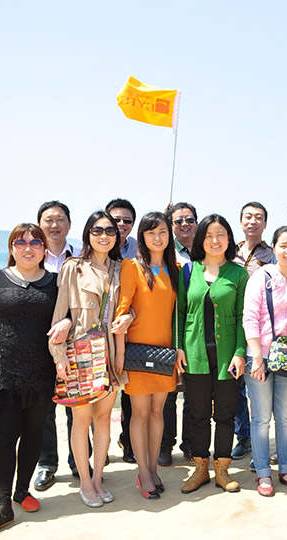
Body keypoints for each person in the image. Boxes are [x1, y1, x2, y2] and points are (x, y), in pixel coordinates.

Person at [0, 224, 59, 537]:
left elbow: (67, 319)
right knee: (5, 437)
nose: (28, 247)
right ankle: (2, 506)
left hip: (42, 373)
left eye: (35, 242)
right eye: (20, 242)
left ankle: (23, 491)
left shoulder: (55, 283)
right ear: (11, 248)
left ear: (44, 249)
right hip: (3, 373)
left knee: (34, 434)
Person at [48, 211, 129, 508]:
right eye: (97, 230)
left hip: (110, 354)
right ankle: (84, 481)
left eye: (110, 230)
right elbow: (60, 315)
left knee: (104, 419)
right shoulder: (73, 267)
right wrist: (58, 356)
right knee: (81, 421)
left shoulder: (122, 268)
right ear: (87, 234)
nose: (104, 236)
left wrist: (129, 319)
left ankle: (97, 478)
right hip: (80, 352)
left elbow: (129, 306)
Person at [177, 214, 250, 494]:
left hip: (227, 357)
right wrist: (178, 347)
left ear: (229, 239)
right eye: (208, 235)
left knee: (225, 415)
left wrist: (240, 352)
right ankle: (200, 468)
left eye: (220, 234)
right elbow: (179, 312)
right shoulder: (188, 271)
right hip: (194, 355)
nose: (215, 240)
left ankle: (222, 469)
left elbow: (243, 317)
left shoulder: (239, 274)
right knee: (197, 414)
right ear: (200, 240)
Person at [116, 211, 181, 498]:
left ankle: (153, 468)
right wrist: (120, 352)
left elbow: (180, 313)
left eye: (162, 232)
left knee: (158, 412)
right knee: (140, 413)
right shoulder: (132, 266)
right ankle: (143, 472)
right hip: (138, 354)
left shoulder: (176, 269)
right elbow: (122, 309)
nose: (158, 237)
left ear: (169, 236)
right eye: (151, 232)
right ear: (142, 236)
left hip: (165, 354)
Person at [242, 225, 287, 496]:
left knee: (285, 418)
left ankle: (286, 469)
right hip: (260, 355)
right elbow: (250, 317)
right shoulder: (262, 276)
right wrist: (257, 357)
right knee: (260, 418)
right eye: (283, 245)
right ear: (274, 248)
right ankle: (263, 472)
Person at [34, 200, 83, 491]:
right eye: (48, 220)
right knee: (44, 408)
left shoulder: (80, 256)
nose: (54, 225)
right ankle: (46, 463)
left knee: (77, 405)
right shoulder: (30, 254)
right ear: (39, 224)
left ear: (69, 224)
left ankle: (79, 460)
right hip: (38, 340)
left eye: (60, 219)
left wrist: (69, 321)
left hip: (75, 340)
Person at [230, 201, 275, 461]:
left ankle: (266, 441)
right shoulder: (229, 251)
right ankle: (243, 436)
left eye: (258, 217)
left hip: (260, 328)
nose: (253, 221)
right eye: (248, 216)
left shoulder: (272, 254)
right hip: (233, 322)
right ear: (240, 221)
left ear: (265, 223)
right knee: (236, 386)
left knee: (261, 387)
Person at [159, 201, 198, 466]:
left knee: (194, 393)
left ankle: (190, 444)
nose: (185, 225)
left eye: (189, 220)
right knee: (168, 392)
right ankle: (165, 445)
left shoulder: (205, 249)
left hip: (195, 329)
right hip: (167, 326)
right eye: (178, 221)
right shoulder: (165, 251)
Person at [106, 198, 138, 464]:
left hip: (132, 329)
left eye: (127, 220)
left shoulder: (138, 249)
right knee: (97, 393)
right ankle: (97, 452)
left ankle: (128, 443)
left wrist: (131, 315)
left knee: (130, 392)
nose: (121, 224)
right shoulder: (97, 246)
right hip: (101, 332)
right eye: (116, 219)